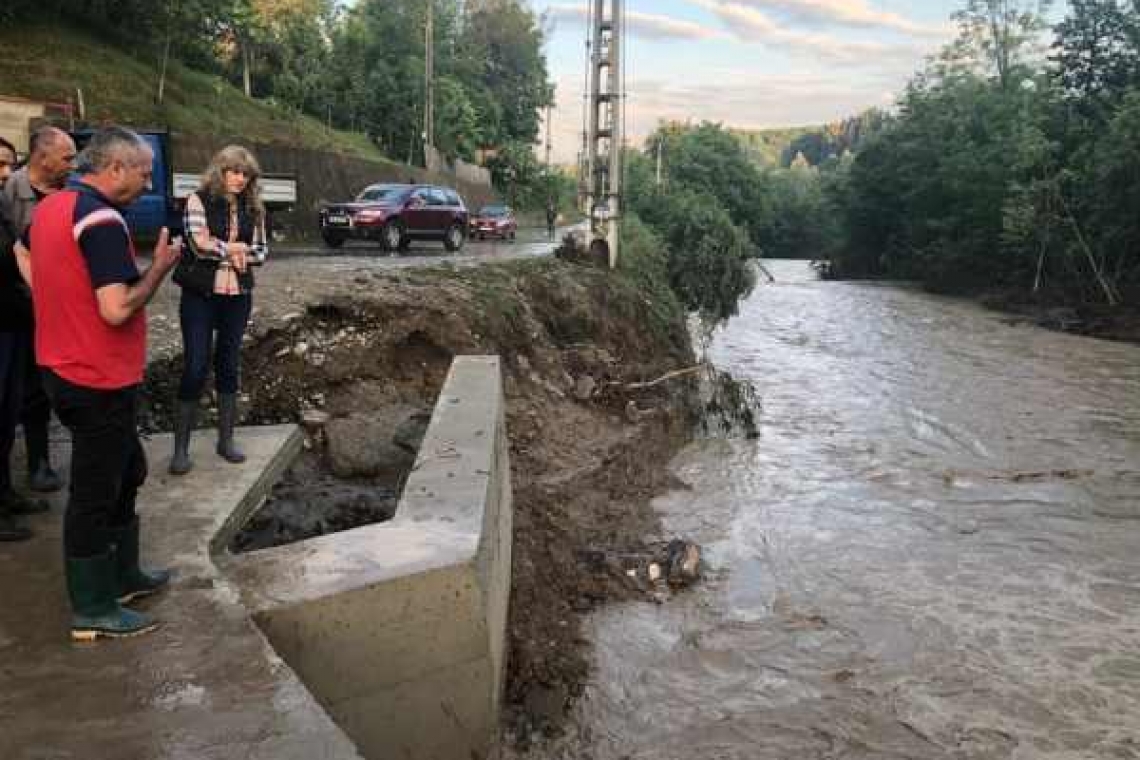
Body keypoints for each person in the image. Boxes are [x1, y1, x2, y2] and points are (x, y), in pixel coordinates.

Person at [15, 126, 181, 640]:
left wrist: (52, 299)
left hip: (62, 368)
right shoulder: (102, 220)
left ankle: (123, 576)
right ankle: (93, 607)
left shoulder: (53, 207)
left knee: (128, 468)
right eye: (144, 173)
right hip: (96, 376)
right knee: (95, 490)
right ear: (115, 169)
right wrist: (159, 269)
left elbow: (21, 251)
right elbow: (116, 308)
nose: (148, 183)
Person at [168, 145, 267, 475]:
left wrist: (228, 249)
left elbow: (262, 252)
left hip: (237, 296)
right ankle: (180, 449)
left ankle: (226, 442)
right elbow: (198, 245)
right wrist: (237, 249)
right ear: (220, 171)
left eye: (245, 174)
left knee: (228, 365)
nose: (240, 179)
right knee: (195, 366)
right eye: (234, 171)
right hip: (200, 295)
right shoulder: (197, 200)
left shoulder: (254, 208)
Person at [2, 126, 77, 495]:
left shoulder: (72, 193)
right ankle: (32, 467)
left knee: (47, 386)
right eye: (67, 157)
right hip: (20, 308)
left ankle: (39, 461)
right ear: (42, 157)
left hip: (59, 306)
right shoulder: (10, 192)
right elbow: (10, 254)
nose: (72, 164)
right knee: (22, 388)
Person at [0, 135, 44, 541]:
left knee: (9, 411)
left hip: (13, 320)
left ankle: (6, 495)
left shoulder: (3, 209)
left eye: (9, 164)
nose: (5, 173)